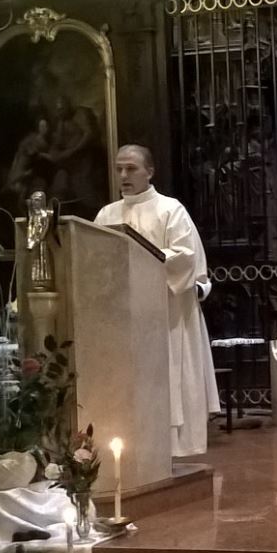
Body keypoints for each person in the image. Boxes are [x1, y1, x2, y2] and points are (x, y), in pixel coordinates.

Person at [94, 144, 219, 458]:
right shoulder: (106, 214)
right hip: (121, 316)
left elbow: (185, 258)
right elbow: (93, 256)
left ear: (149, 171)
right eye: (119, 168)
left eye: (131, 168)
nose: (123, 175)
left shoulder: (170, 209)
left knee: (167, 380)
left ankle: (172, 448)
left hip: (166, 313)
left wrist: (139, 263)